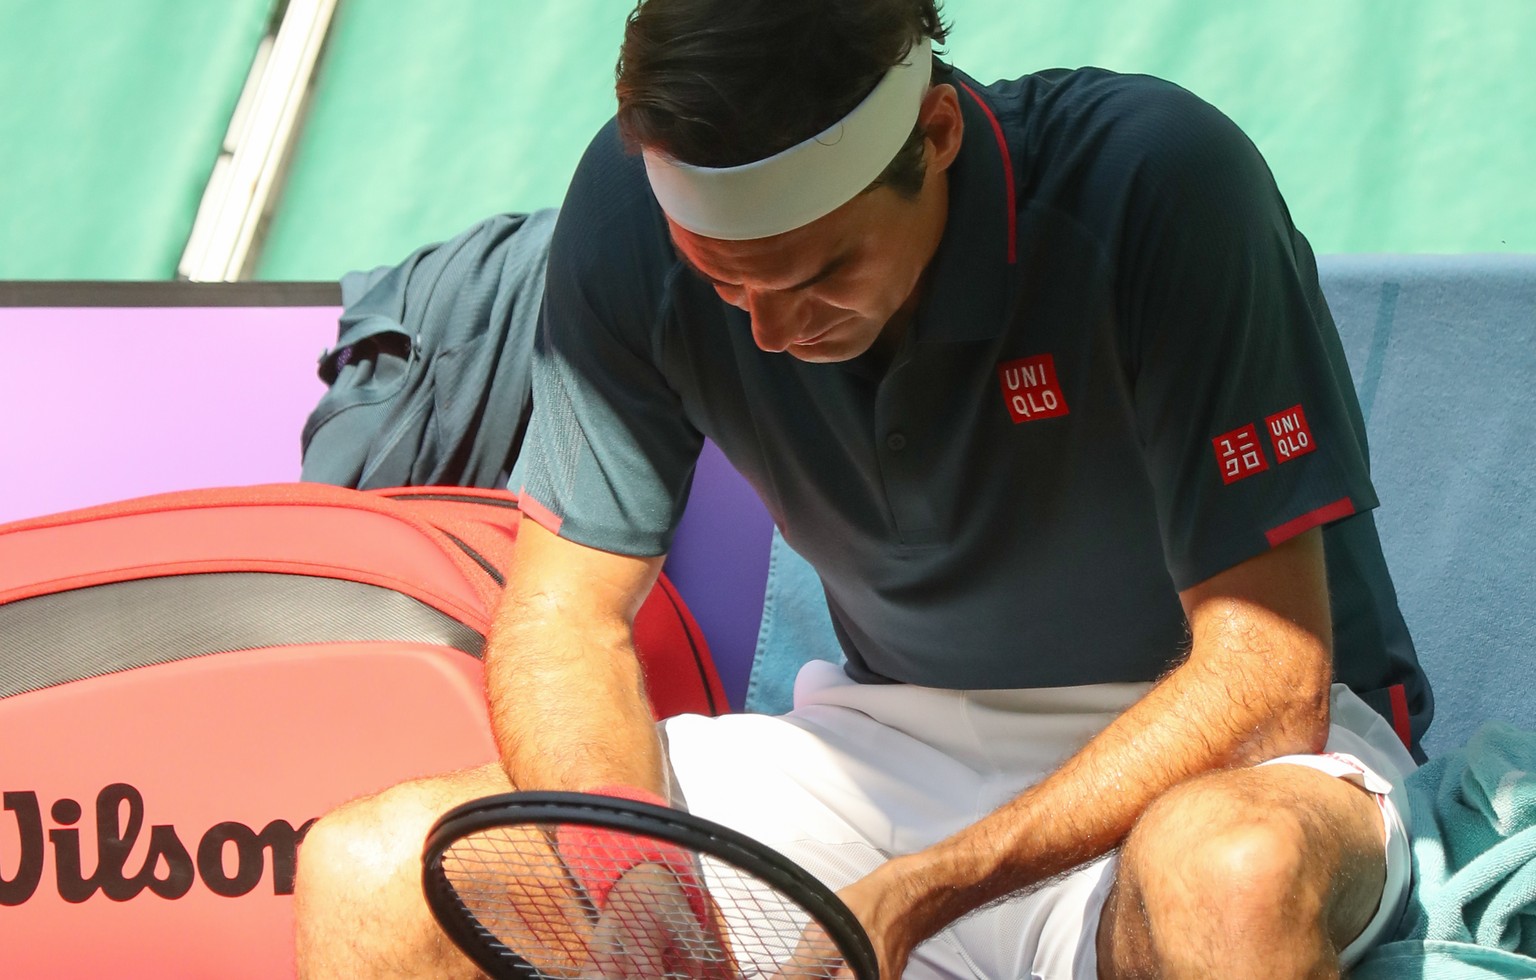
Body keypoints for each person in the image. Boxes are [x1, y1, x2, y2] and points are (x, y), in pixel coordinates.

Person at [293, 1, 1433, 976]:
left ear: (936, 134)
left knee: (1230, 871)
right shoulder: (626, 213)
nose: (772, 328)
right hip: (881, 752)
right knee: (370, 867)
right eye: (720, 275)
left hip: (1220, 755)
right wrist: (634, 880)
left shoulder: (1162, 181)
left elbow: (1270, 678)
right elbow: (564, 616)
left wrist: (927, 887)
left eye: (823, 267)